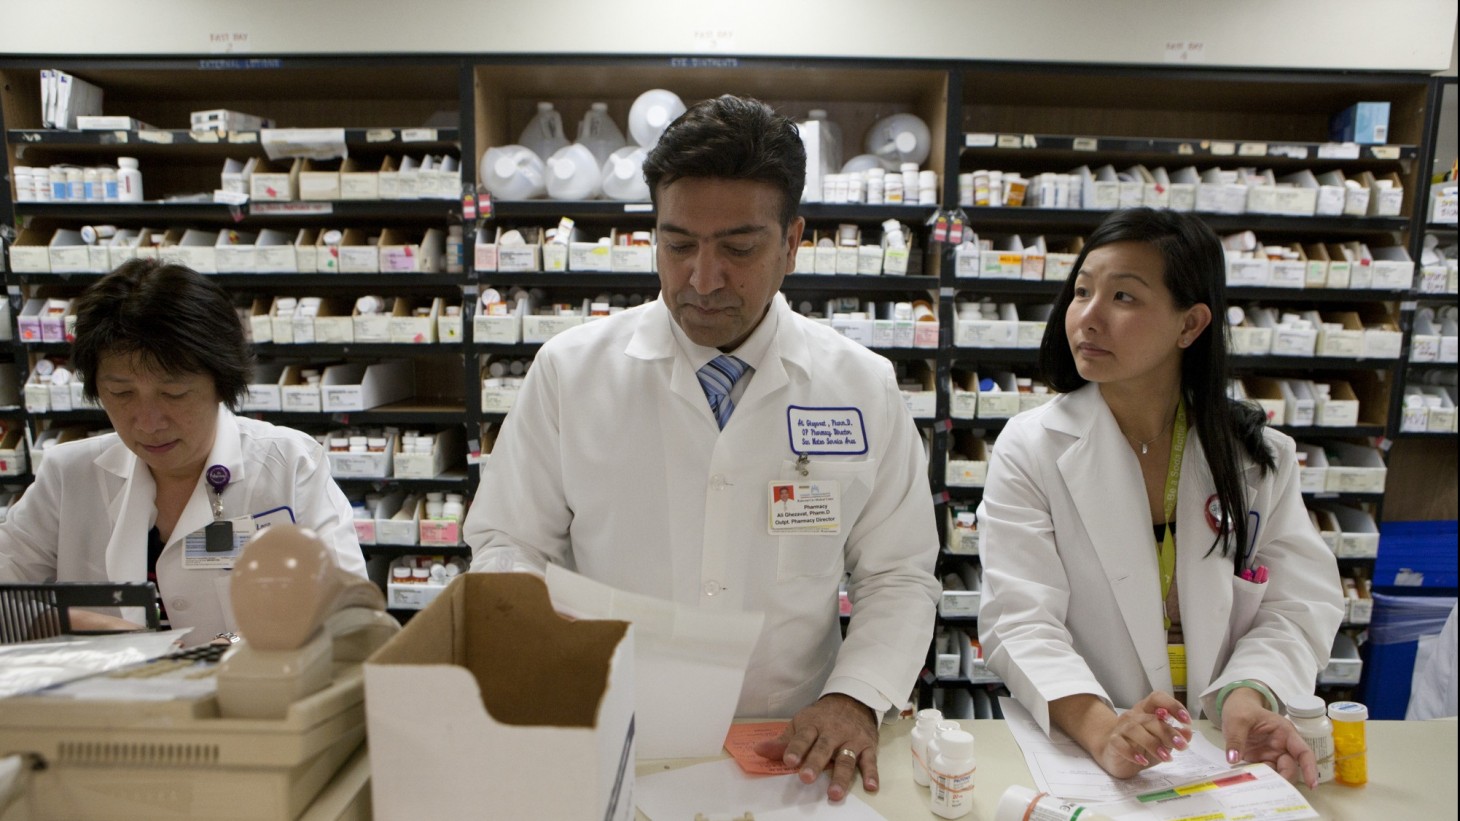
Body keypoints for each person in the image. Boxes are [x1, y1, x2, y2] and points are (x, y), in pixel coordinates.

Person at [464, 95, 939, 800]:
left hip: (792, 742)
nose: (703, 278)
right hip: (612, 731)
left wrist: (857, 695)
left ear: (793, 240)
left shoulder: (861, 386)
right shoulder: (570, 372)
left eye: (739, 248)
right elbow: (507, 541)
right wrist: (537, 641)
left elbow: (898, 575)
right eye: (678, 244)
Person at [976, 208, 1343, 788]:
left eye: (1123, 297)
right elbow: (1019, 621)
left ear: (1190, 324)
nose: (1087, 319)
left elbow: (1298, 608)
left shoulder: (1257, 456)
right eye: (1082, 292)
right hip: (1086, 752)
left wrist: (1246, 696)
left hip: (1222, 750)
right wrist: (1102, 727)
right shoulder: (1033, 447)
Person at [0, 259, 366, 645]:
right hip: (113, 700)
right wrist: (82, 626)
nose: (148, 422)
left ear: (222, 382)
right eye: (121, 393)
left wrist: (242, 646)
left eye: (174, 393)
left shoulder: (289, 463)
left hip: (256, 697)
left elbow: (350, 610)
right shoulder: (68, 475)